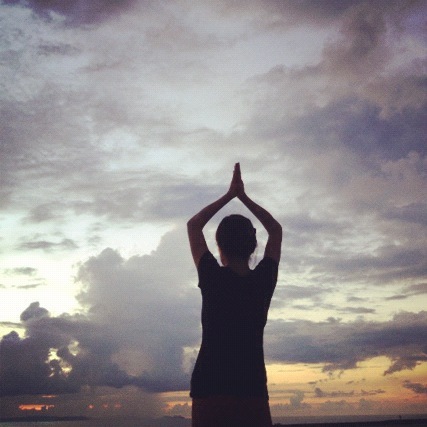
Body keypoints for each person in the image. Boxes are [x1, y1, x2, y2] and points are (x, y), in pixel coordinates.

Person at [187, 163, 282, 427]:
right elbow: (275, 230)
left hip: (209, 387)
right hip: (252, 387)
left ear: (219, 247)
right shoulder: (263, 280)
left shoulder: (212, 277)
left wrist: (230, 195)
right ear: (253, 245)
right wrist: (243, 197)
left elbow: (194, 225)